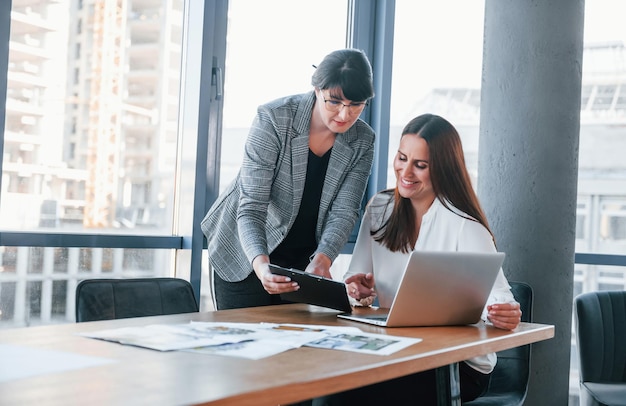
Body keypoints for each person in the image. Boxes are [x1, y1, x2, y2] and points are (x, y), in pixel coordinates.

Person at [317, 113, 522, 405]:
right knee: (326, 383)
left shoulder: (465, 226)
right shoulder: (379, 208)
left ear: (443, 170)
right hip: (395, 349)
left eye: (420, 165)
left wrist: (504, 312)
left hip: (456, 364)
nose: (406, 171)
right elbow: (356, 283)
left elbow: (499, 300)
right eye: (402, 158)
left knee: (349, 393)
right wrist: (357, 290)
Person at [201, 48, 376, 310]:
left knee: (293, 345)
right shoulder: (274, 118)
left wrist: (323, 259)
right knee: (245, 344)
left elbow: (344, 211)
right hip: (244, 252)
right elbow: (251, 207)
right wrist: (261, 267)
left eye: (356, 105)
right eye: (334, 102)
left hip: (301, 260)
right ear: (317, 89)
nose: (344, 115)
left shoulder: (363, 139)